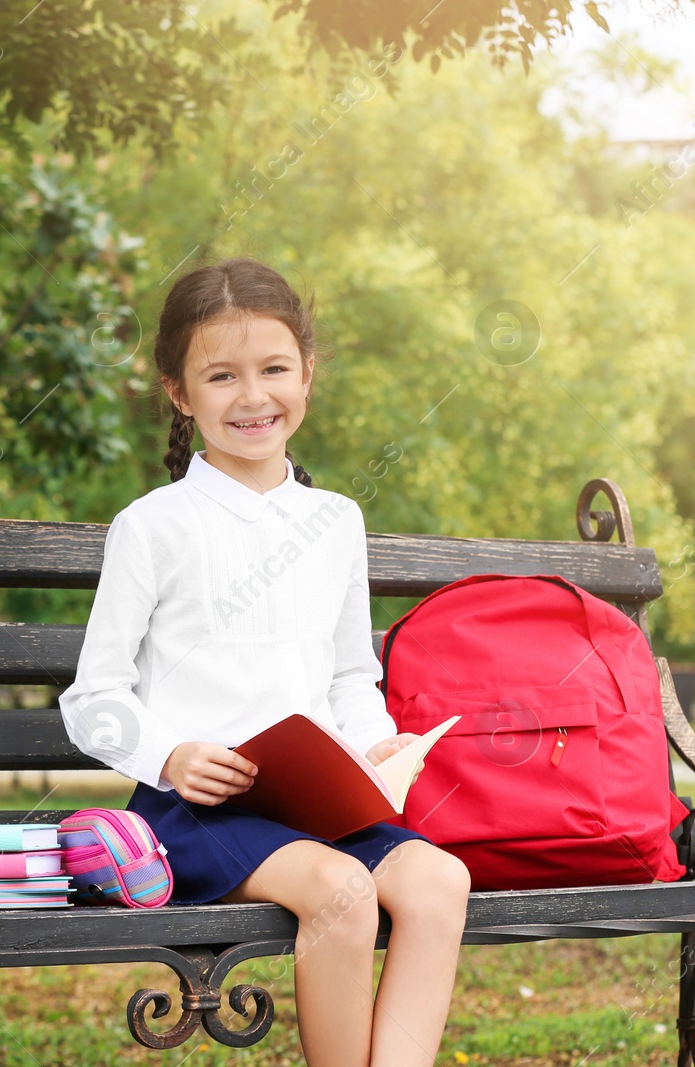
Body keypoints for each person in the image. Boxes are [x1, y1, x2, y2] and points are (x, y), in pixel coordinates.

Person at [59, 255, 472, 1067]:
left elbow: (352, 675)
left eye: (274, 369)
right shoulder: (153, 526)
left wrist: (377, 745)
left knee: (438, 882)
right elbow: (92, 698)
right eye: (222, 375)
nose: (253, 397)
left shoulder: (335, 520)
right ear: (181, 392)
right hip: (199, 811)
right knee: (345, 894)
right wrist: (171, 754)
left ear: (308, 375)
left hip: (321, 804)